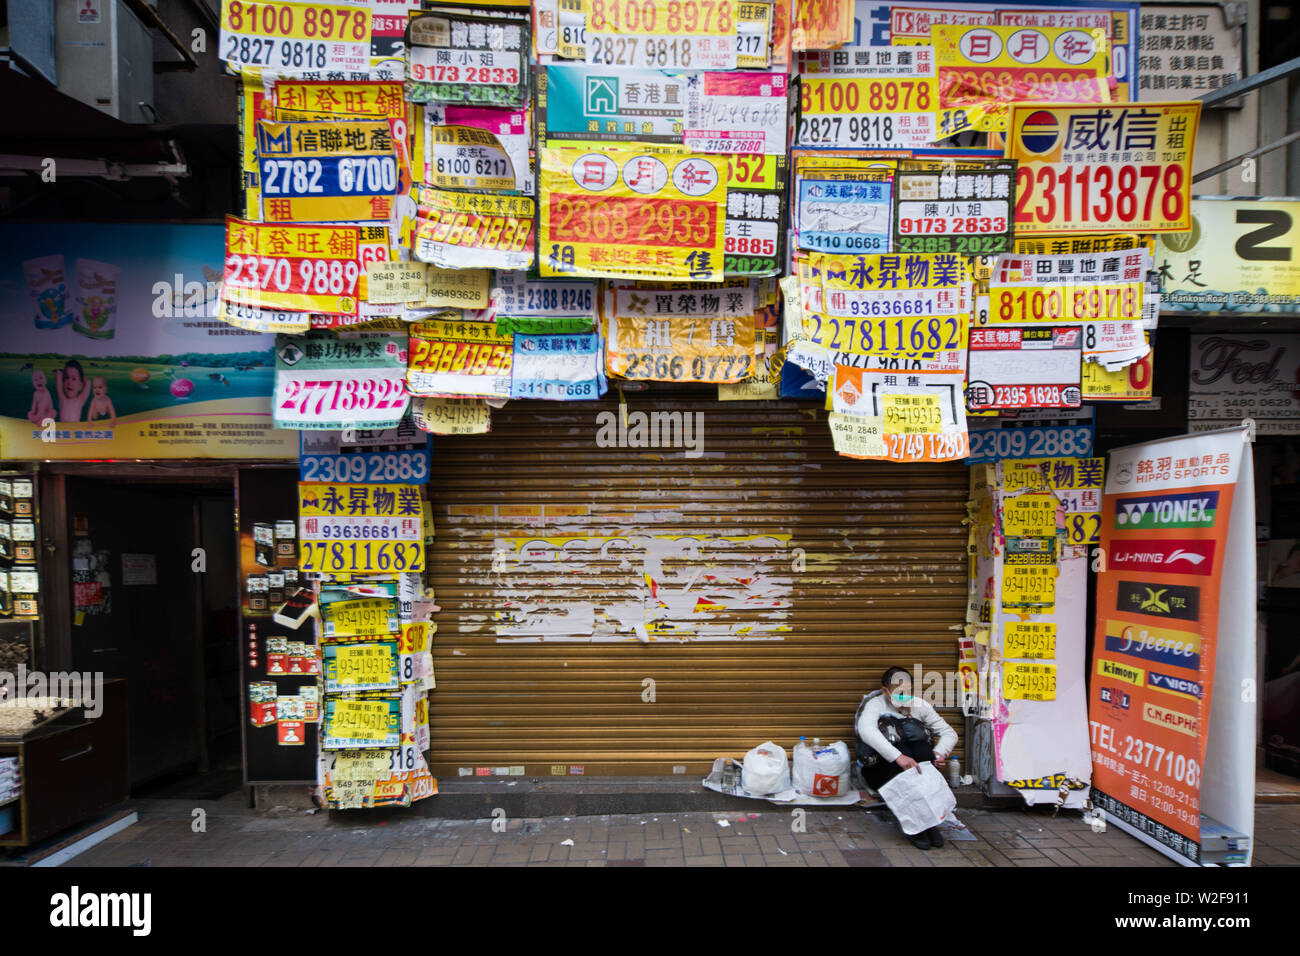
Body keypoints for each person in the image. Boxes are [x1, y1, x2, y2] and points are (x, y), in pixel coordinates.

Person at [856, 665, 958, 851]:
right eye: (899, 692)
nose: (905, 696)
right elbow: (866, 730)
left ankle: (928, 821)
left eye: (908, 691)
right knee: (904, 750)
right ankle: (916, 827)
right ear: (886, 691)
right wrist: (898, 756)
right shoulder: (875, 705)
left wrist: (940, 753)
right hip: (882, 769)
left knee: (922, 750)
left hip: (915, 771)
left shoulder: (919, 706)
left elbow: (949, 733)